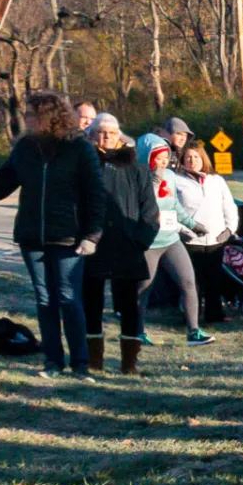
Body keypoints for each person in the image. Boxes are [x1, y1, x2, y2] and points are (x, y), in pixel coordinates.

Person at [0, 91, 106, 380]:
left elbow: (95, 195)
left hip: (68, 237)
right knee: (44, 298)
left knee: (67, 297)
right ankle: (53, 361)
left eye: (31, 114)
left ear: (49, 117)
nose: (26, 118)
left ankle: (80, 363)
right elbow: (2, 185)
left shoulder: (78, 148)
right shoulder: (24, 147)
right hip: (32, 236)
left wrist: (92, 235)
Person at [82, 113, 159, 374]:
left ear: (120, 137)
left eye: (111, 133)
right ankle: (94, 362)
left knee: (129, 307)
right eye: (100, 132)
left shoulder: (136, 168)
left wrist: (141, 240)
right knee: (90, 303)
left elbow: (149, 211)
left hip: (128, 247)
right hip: (92, 246)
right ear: (91, 136)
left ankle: (129, 364)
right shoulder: (83, 165)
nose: (106, 137)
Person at [133, 132, 218, 347]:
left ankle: (194, 332)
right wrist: (152, 184)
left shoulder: (170, 177)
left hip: (171, 240)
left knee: (189, 282)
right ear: (146, 157)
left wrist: (192, 225)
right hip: (148, 244)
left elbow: (175, 206)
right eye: (157, 158)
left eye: (164, 158)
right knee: (143, 288)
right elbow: (134, 209)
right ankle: (136, 331)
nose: (162, 163)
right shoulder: (135, 177)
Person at [173, 143, 240, 325]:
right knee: (192, 282)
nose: (192, 161)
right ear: (182, 160)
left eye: (196, 157)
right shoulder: (176, 180)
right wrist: (182, 231)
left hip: (215, 239)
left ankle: (214, 315)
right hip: (190, 240)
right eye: (188, 157)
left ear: (203, 159)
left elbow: (229, 206)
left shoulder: (216, 180)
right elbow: (171, 209)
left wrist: (229, 230)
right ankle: (191, 317)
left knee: (214, 280)